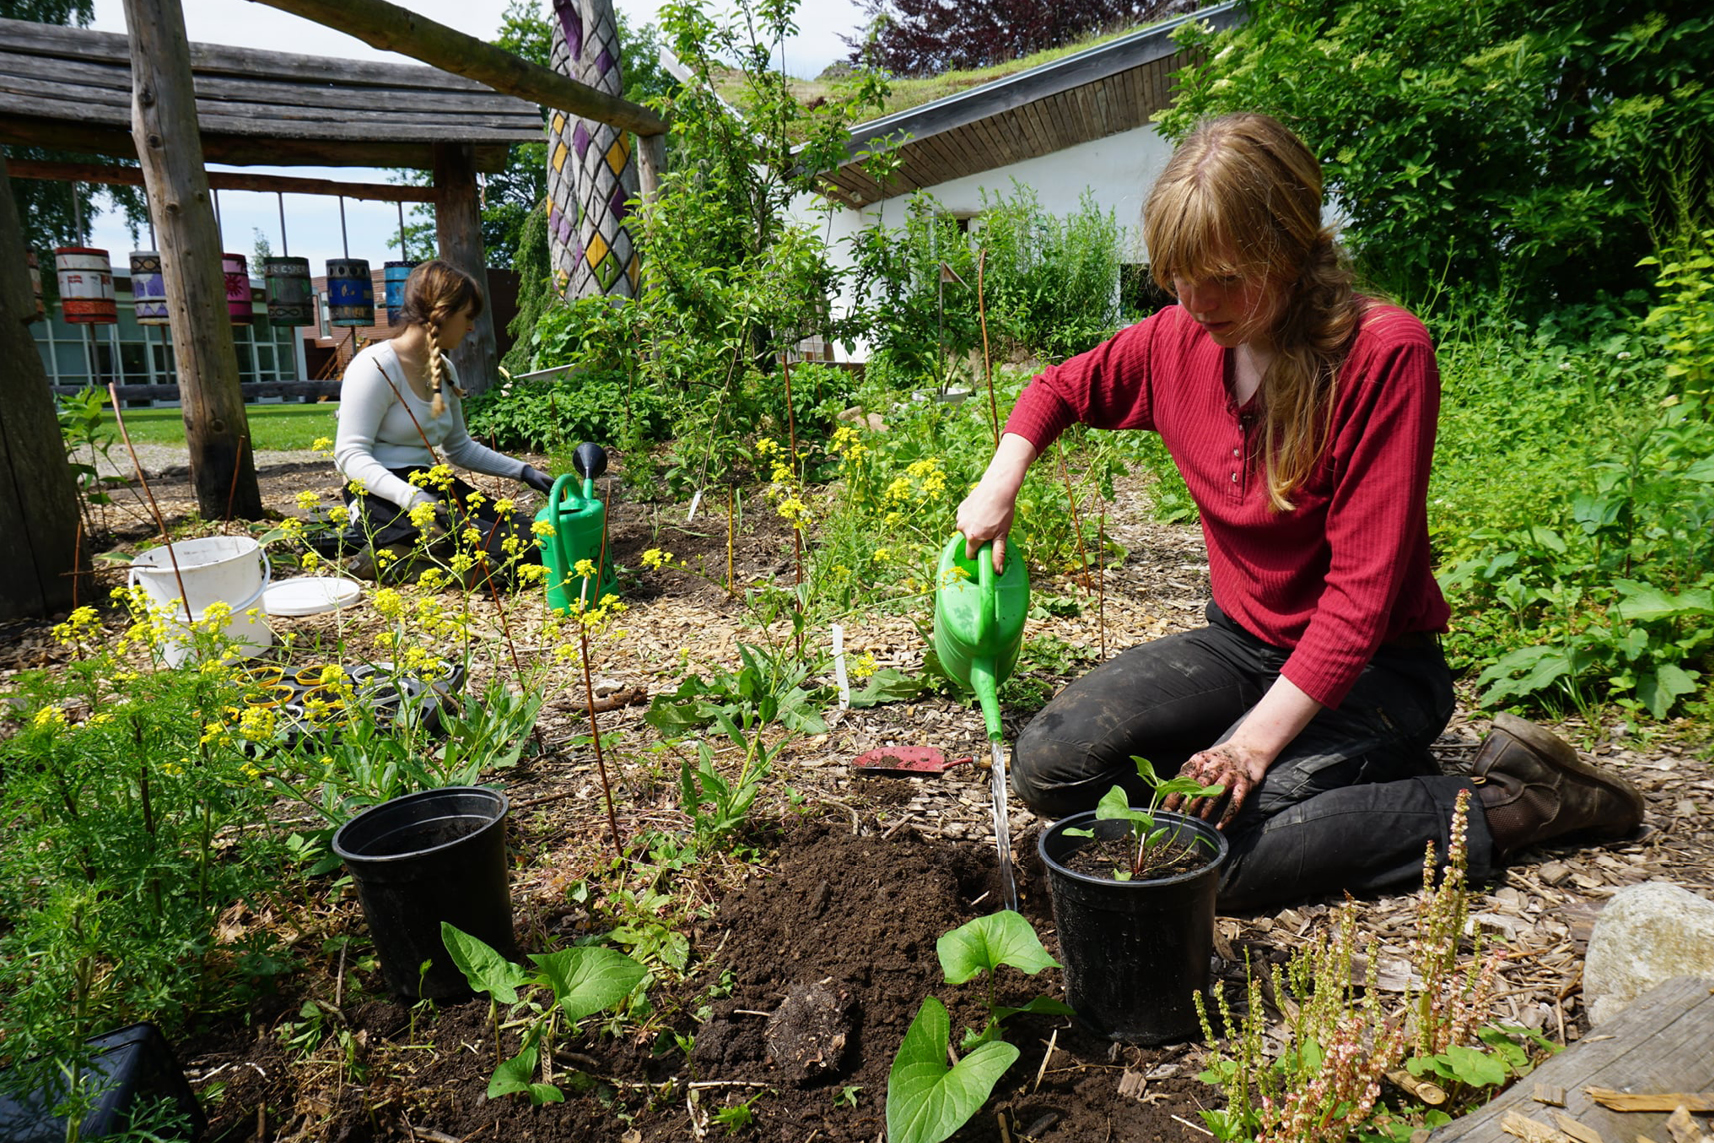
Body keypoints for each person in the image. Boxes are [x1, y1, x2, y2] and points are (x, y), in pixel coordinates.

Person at [954, 113, 1644, 911]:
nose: (1195, 300)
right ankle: (1325, 781)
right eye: (1178, 275)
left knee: (1212, 859)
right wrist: (1001, 480)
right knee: (1051, 763)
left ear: (1289, 250)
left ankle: (1517, 798)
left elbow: (1358, 606)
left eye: (1223, 277)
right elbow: (1060, 388)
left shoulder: (1384, 357)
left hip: (1378, 671)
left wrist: (1246, 751)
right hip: (1241, 644)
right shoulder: (1177, 340)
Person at [333, 259, 553, 581]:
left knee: (530, 540)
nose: (470, 327)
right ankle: (392, 558)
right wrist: (411, 498)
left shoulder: (445, 369)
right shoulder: (374, 366)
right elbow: (349, 455)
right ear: (442, 312)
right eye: (467, 317)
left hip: (428, 483)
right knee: (492, 567)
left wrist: (524, 471)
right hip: (379, 494)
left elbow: (458, 448)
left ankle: (405, 557)